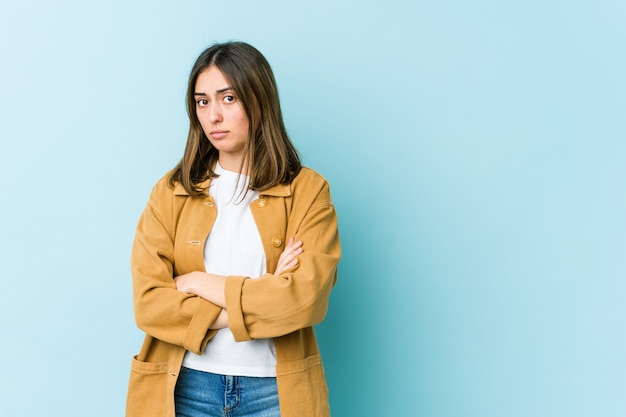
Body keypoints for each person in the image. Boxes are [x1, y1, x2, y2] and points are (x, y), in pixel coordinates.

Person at [125, 41, 341, 417]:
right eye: (202, 101)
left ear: (259, 101)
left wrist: (195, 281)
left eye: (228, 98)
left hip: (275, 392)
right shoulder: (172, 191)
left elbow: (304, 300)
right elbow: (149, 304)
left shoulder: (308, 191)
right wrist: (265, 289)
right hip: (185, 387)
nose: (213, 116)